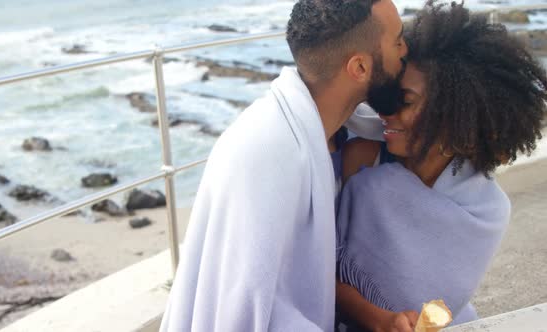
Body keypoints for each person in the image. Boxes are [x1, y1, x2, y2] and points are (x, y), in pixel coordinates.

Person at [160, 0, 407, 330]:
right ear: (359, 68)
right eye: (398, 40)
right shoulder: (268, 150)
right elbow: (246, 311)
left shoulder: (338, 132)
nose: (406, 51)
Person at [335, 1, 547, 331]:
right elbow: (322, 268)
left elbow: (442, 304)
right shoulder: (363, 162)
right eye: (388, 97)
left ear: (453, 115)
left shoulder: (486, 209)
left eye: (404, 102)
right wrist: (380, 319)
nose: (386, 112)